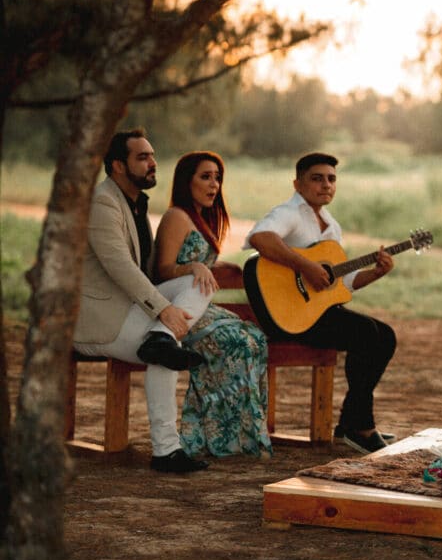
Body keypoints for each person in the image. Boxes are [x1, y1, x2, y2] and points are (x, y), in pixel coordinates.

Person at [73, 129, 212, 473]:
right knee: (166, 350)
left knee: (201, 284)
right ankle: (166, 451)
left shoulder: (136, 202)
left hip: (130, 309)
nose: (153, 163)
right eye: (143, 157)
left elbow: (149, 271)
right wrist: (163, 310)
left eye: (152, 156)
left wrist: (190, 266)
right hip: (98, 317)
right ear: (118, 166)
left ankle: (161, 339)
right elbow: (120, 266)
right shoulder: (103, 202)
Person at [244, 152, 397, 455]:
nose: (326, 184)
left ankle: (351, 421)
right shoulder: (289, 212)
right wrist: (305, 266)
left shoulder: (331, 225)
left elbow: (346, 282)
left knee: (385, 336)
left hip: (317, 314)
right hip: (288, 317)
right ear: (298, 183)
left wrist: (377, 273)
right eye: (317, 178)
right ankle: (359, 426)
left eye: (331, 179)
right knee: (367, 333)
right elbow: (260, 238)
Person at [153, 151, 272, 459]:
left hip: (199, 302)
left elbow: (197, 260)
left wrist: (218, 265)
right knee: (233, 342)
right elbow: (163, 270)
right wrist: (193, 268)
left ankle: (241, 435)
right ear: (186, 181)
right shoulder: (175, 216)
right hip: (175, 306)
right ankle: (209, 436)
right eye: (205, 177)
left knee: (254, 338)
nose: (214, 184)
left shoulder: (200, 218)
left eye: (217, 178)